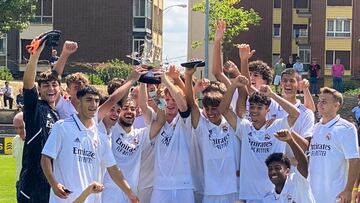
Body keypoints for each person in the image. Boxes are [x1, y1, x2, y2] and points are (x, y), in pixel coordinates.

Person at [41, 85, 139, 203]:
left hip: (92, 199)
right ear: (78, 103)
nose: (93, 104)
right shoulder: (62, 127)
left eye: (96, 101)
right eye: (89, 100)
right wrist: (54, 183)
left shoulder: (101, 137)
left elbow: (113, 169)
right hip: (64, 199)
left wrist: (130, 194)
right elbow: (46, 157)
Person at [218, 77, 300, 202]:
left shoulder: (277, 126)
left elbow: (295, 114)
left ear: (267, 109)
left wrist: (273, 95)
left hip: (275, 195)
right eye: (252, 107)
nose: (254, 111)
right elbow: (223, 110)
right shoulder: (244, 127)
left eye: (259, 107)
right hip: (250, 195)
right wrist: (234, 84)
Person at [184, 65, 244, 203]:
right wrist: (188, 76)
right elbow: (192, 104)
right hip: (209, 191)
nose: (210, 112)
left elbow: (241, 97)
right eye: (207, 108)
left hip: (234, 190)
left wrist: (234, 84)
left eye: (215, 108)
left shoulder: (231, 123)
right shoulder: (202, 126)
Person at [17, 41, 61, 203]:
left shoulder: (58, 115)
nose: (50, 89)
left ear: (60, 89)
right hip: (32, 183)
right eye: (45, 86)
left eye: (54, 85)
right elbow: (28, 85)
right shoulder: (36, 107)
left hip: (50, 182)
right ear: (40, 90)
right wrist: (35, 55)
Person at [309, 87, 360, 203]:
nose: (320, 104)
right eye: (319, 101)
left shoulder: (346, 128)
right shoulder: (315, 128)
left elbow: (354, 160)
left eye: (324, 102)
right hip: (312, 194)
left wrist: (348, 190)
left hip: (336, 195)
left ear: (336, 105)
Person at [150, 68, 194, 203]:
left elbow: (183, 105)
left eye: (174, 100)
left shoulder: (184, 121)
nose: (170, 103)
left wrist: (166, 80)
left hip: (184, 186)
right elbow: (153, 96)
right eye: (167, 100)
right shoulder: (157, 120)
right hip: (160, 186)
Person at [263, 130, 316, 203]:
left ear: (287, 171)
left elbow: (303, 164)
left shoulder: (296, 182)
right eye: (270, 169)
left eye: (277, 168)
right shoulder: (268, 199)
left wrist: (290, 141)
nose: (273, 172)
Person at [12, 112, 26, 198]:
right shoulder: (15, 140)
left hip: (34, 184)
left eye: (21, 127)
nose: (19, 131)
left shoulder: (37, 140)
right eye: (16, 128)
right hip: (20, 183)